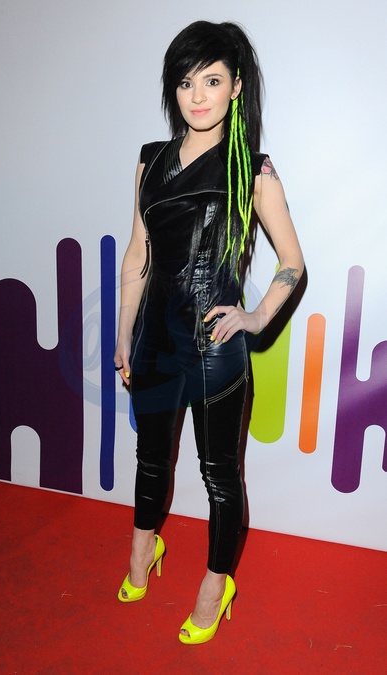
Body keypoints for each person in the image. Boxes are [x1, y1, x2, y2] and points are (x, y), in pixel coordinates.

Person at [114, 20, 304, 644]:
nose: (197, 96)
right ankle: (144, 548)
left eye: (212, 81)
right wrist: (124, 333)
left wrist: (256, 317)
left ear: (236, 87)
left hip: (216, 348)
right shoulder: (150, 160)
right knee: (150, 460)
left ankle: (216, 584)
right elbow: (138, 253)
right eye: (185, 82)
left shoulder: (254, 168)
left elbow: (292, 261)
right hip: (154, 341)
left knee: (220, 477)